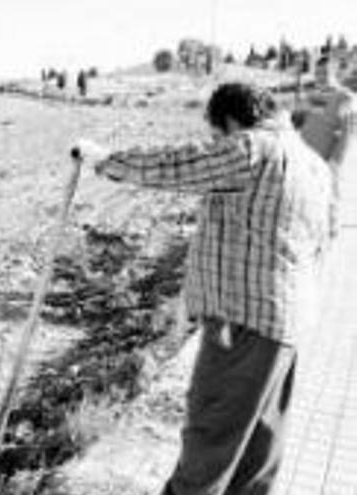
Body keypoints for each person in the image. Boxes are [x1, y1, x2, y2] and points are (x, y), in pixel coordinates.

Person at [73, 82, 333, 495]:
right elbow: (323, 242)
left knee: (210, 441)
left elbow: (179, 166)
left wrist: (106, 160)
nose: (217, 142)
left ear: (230, 122)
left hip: (243, 322)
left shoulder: (254, 147)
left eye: (217, 134)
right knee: (256, 452)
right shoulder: (314, 164)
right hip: (287, 324)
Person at [299, 55, 357, 239]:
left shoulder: (345, 97)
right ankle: (313, 229)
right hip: (308, 154)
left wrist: (337, 159)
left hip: (328, 156)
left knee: (331, 194)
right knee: (310, 194)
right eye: (318, 72)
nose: (320, 76)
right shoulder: (313, 94)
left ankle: (332, 230)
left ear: (335, 73)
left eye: (325, 72)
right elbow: (306, 121)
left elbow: (348, 130)